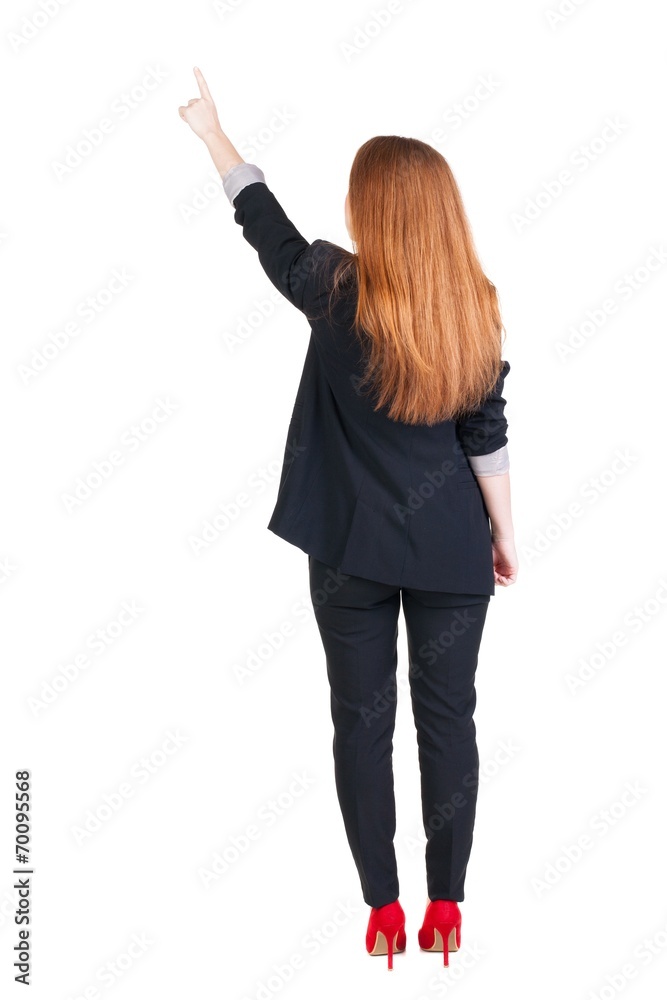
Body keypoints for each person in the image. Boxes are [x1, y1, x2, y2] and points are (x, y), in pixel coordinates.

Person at [179, 67, 518, 973]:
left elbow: (267, 229)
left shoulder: (334, 286)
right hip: (451, 553)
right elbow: (485, 435)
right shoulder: (473, 308)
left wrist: (215, 135)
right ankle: (445, 907)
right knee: (449, 725)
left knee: (360, 724)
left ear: (373, 212)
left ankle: (382, 911)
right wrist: (504, 536)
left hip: (347, 555)